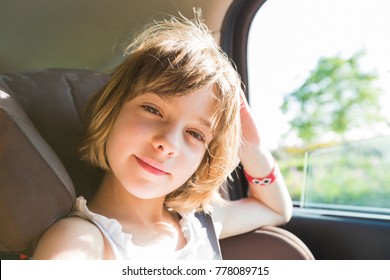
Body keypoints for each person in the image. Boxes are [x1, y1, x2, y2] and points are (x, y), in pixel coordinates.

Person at [32, 13, 292, 260]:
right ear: (112, 111)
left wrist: (252, 150)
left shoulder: (200, 225)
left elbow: (277, 209)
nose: (168, 143)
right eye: (152, 109)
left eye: (195, 133)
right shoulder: (80, 242)